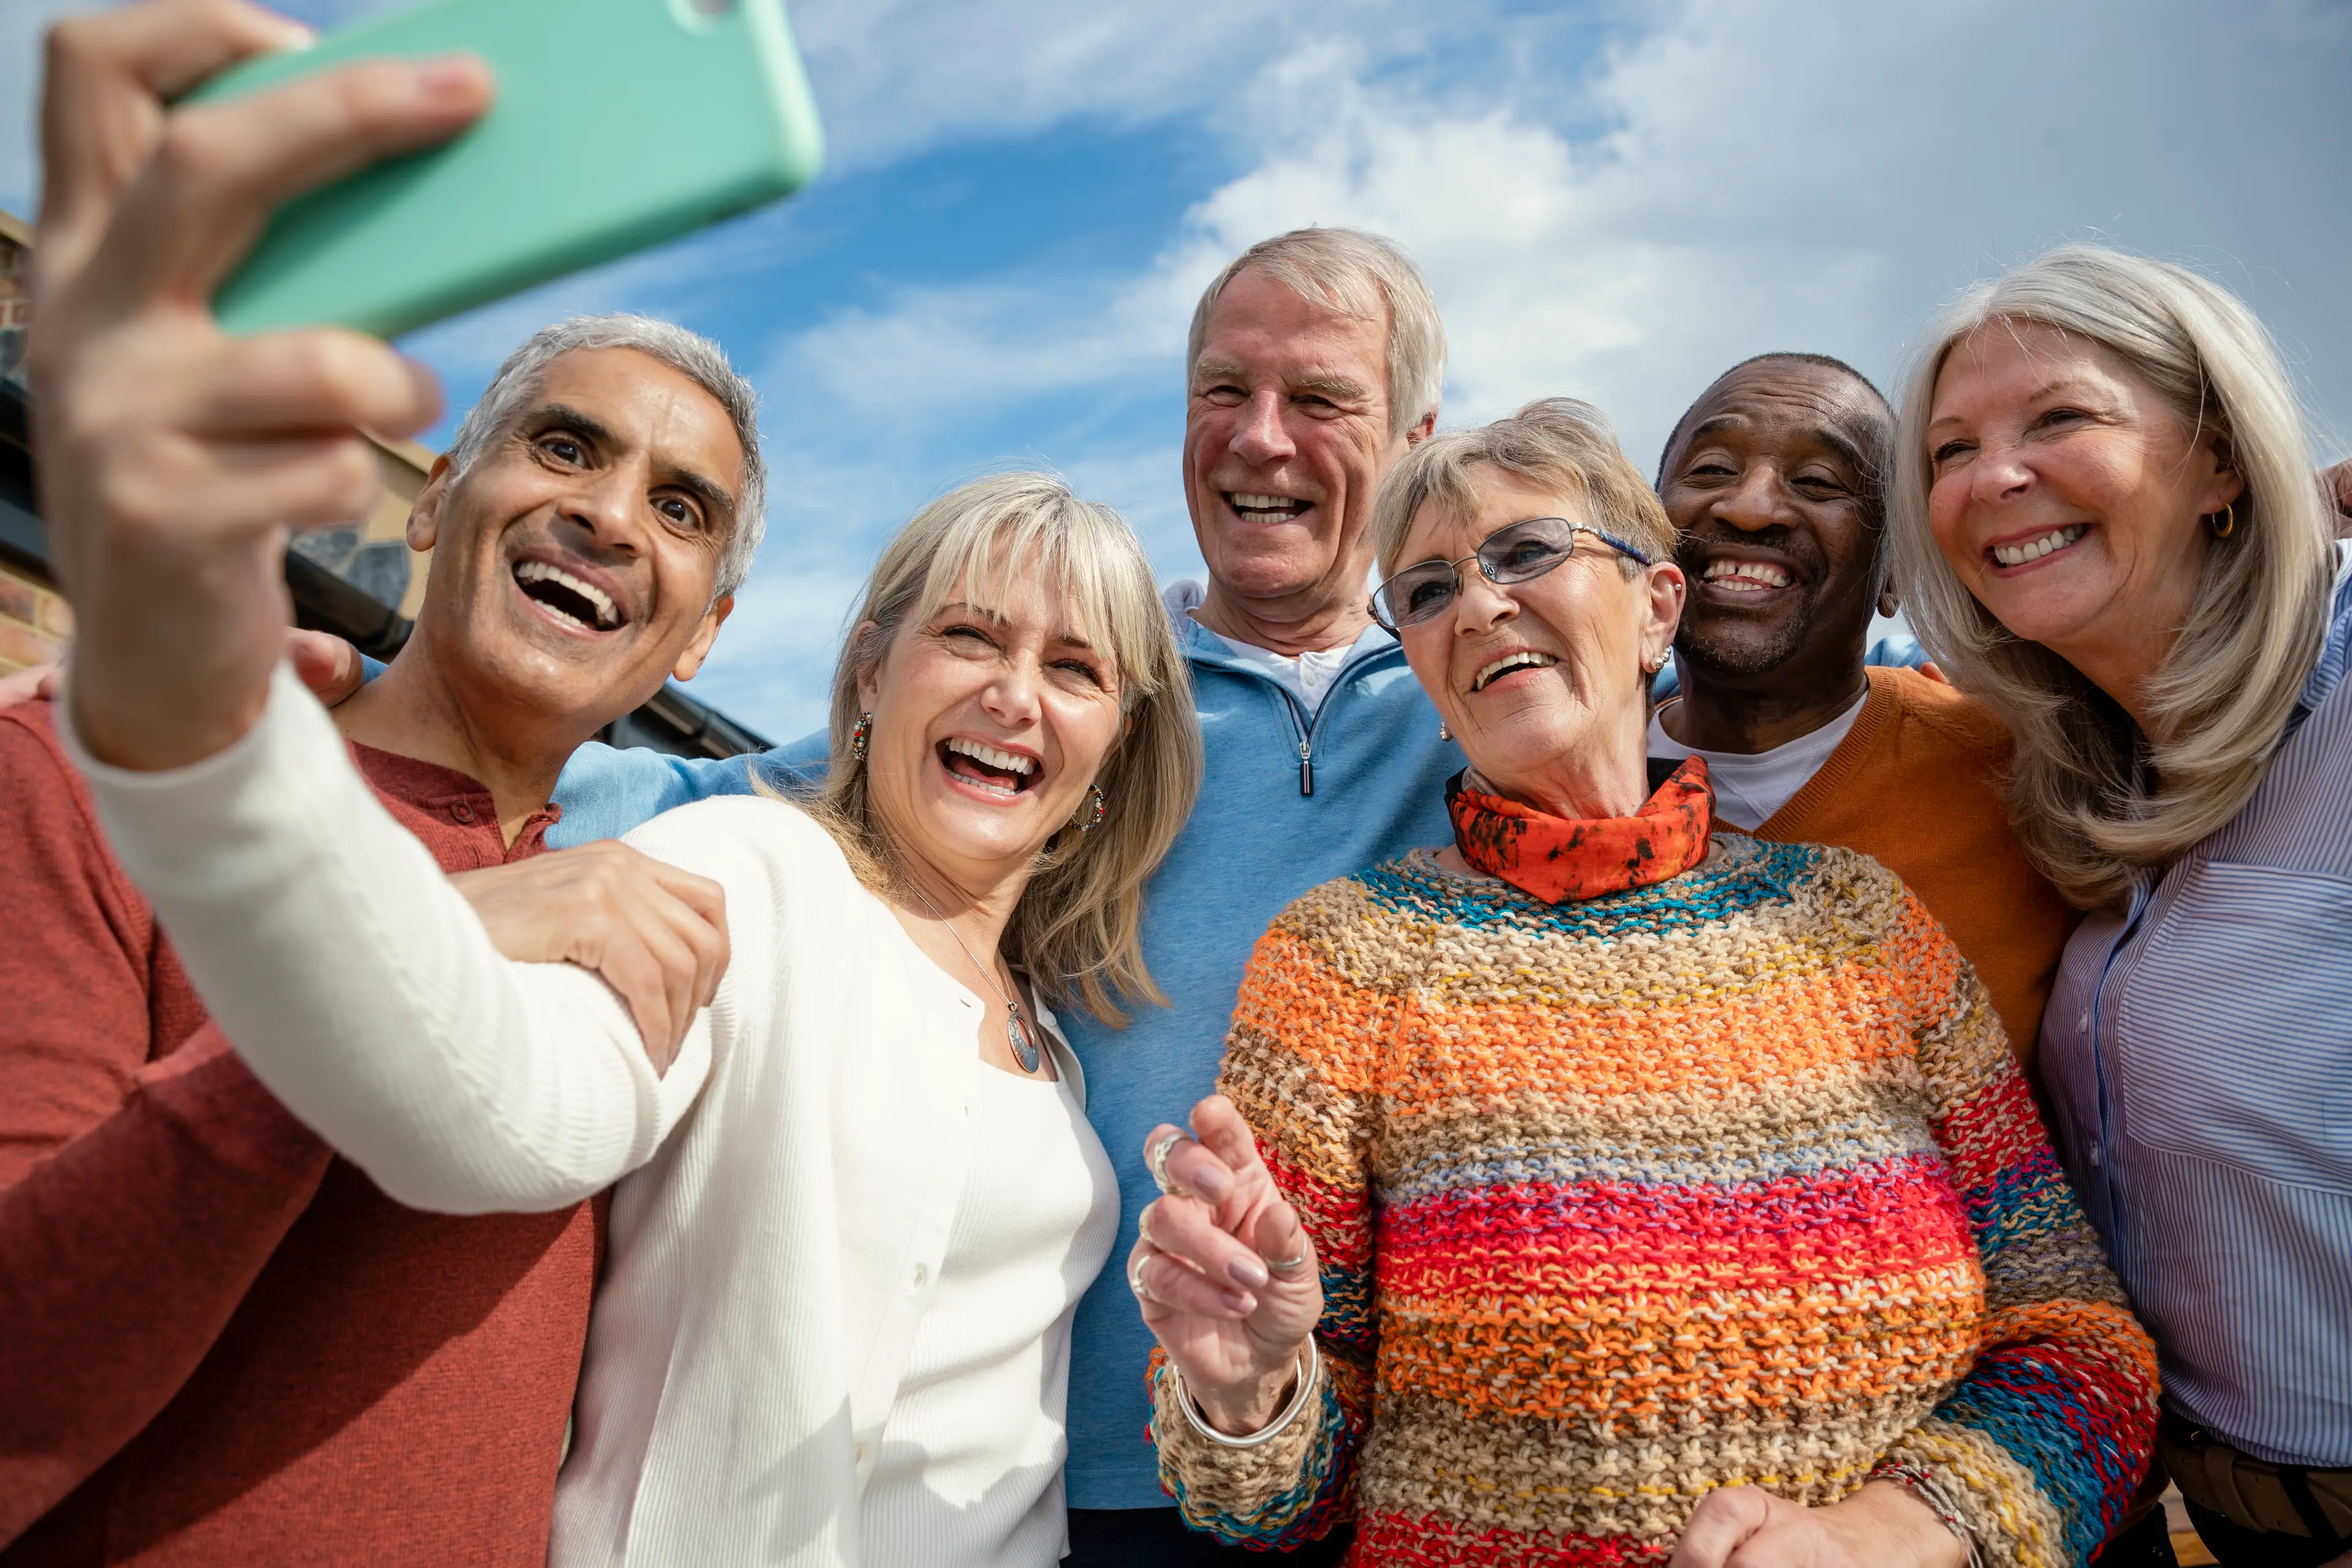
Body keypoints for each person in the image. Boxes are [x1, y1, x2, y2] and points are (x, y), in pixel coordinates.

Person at [492, 224, 1460, 1562]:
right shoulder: (1094, 681)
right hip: (1098, 1472)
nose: (1263, 439)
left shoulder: (1472, 690)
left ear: (1414, 432)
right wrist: (379, 796)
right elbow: (710, 795)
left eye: (1322, 400)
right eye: (1224, 392)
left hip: (1378, 1459)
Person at [1125, 399, 2158, 1567]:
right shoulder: (1345, 961)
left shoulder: (1860, 921)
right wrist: (1253, 1394)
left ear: (1659, 605)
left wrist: (1891, 1537)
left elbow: (2079, 1341)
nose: (1477, 604)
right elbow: (1270, 1497)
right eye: (1426, 591)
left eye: (1526, 553)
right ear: (1415, 660)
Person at [2, 6, 773, 1556]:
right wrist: (432, 940)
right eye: (563, 449)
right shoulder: (87, 779)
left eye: (679, 506)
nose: (610, 515)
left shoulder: (647, 928)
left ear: (703, 627)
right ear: (432, 508)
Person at [1886, 243, 2352, 1568]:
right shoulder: (2074, 770)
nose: (1994, 479)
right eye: (1952, 447)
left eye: (2061, 418)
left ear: (2220, 458)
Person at [1646, 353, 2079, 1063]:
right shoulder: (1562, 798)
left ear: (1894, 573)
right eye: (1711, 470)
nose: (1748, 506)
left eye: (1818, 482)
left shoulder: (2025, 766)